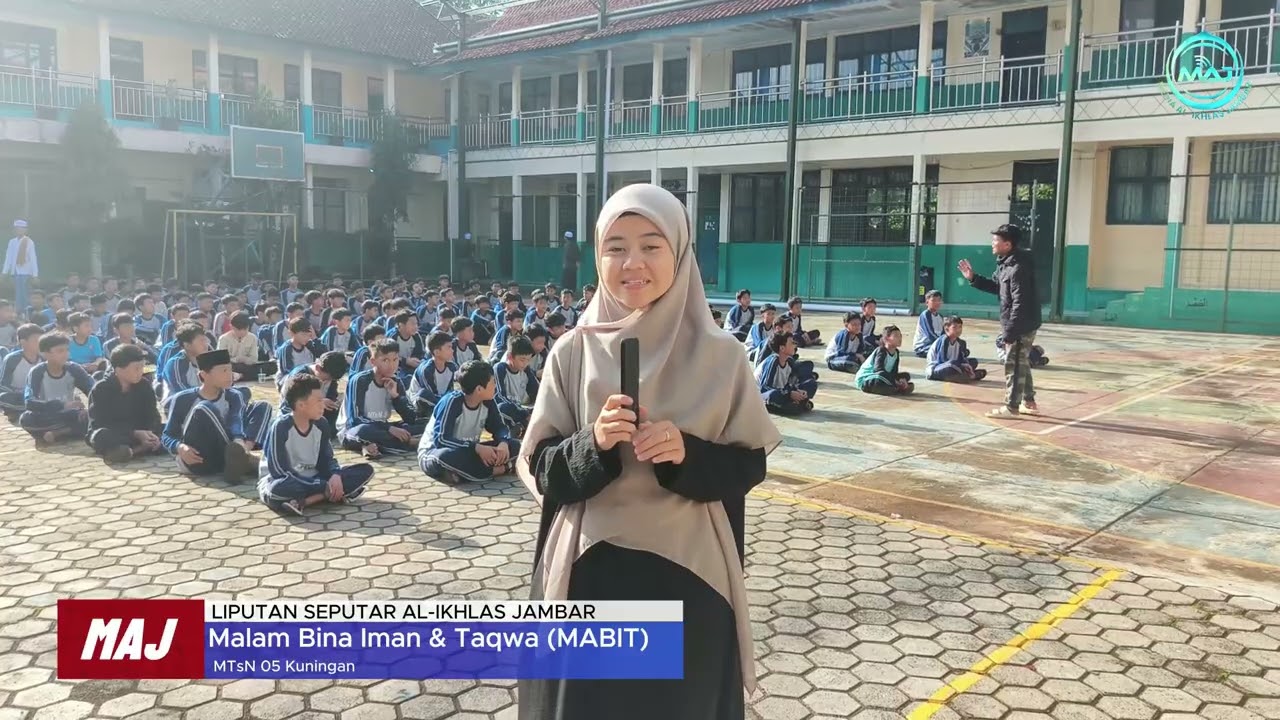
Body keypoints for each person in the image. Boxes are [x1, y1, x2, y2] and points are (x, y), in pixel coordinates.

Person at [515, 184, 781, 720]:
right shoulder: (574, 350)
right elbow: (542, 467)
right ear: (597, 255)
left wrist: (685, 454)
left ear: (680, 252)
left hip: (689, 577)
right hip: (586, 577)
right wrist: (593, 445)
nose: (631, 262)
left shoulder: (722, 356)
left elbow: (747, 464)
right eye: (615, 246)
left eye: (651, 245)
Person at [259, 373, 374, 516]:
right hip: (286, 481)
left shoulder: (321, 424)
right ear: (301, 405)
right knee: (276, 491)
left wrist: (335, 475)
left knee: (365, 470)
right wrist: (323, 485)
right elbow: (279, 471)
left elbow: (327, 458)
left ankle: (305, 502)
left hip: (314, 478)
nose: (323, 405)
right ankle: (334, 493)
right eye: (319, 401)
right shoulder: (281, 427)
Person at [958, 223, 1043, 417]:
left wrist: (1010, 333)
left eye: (996, 240)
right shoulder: (1005, 263)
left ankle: (1011, 407)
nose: (992, 243)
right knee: (1020, 361)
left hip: (1021, 323)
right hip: (1017, 321)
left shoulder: (1018, 268)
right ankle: (1029, 402)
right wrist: (972, 278)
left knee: (1013, 364)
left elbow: (1020, 303)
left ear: (1008, 244)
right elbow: (996, 286)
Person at [161, 349, 273, 482]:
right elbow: (167, 435)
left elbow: (235, 420)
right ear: (204, 375)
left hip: (226, 456)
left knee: (263, 405)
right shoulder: (183, 398)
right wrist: (179, 447)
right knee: (204, 408)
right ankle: (245, 461)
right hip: (199, 460)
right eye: (224, 371)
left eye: (230, 370)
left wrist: (238, 441)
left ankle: (243, 454)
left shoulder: (233, 395)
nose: (229, 375)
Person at [417, 360, 520, 485]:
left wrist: (503, 442)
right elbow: (442, 440)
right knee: (444, 457)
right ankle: (502, 469)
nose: (495, 386)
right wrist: (477, 448)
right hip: (436, 452)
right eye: (493, 382)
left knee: (515, 445)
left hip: (469, 451)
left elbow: (499, 427)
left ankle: (460, 474)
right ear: (479, 389)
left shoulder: (488, 402)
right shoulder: (452, 402)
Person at [339, 339, 422, 458]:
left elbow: (411, 417)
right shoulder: (359, 381)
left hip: (382, 428)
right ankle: (410, 443)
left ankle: (371, 446)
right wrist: (389, 428)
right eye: (385, 360)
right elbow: (356, 419)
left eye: (395, 359)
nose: (392, 365)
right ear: (373, 362)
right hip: (353, 430)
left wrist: (395, 396)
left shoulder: (396, 381)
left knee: (423, 423)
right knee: (363, 431)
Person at [86, 344, 163, 464]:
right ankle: (141, 449)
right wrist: (134, 433)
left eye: (142, 367)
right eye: (136, 368)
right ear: (119, 369)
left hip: (142, 432)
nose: (140, 372)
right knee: (100, 436)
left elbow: (153, 415)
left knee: (170, 430)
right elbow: (100, 423)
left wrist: (150, 433)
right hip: (118, 434)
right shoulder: (101, 389)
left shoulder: (144, 385)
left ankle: (133, 450)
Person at [20, 332, 95, 444]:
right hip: (47, 415)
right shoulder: (37, 372)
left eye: (66, 350)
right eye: (60, 351)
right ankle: (71, 431)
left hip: (71, 415)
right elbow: (29, 402)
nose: (65, 354)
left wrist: (90, 409)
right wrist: (62, 405)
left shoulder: (74, 369)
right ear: (46, 354)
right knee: (26, 419)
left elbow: (95, 390)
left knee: (93, 415)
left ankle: (57, 433)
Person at [280, 351, 349, 438]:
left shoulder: (330, 377)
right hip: (296, 414)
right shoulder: (299, 376)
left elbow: (331, 397)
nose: (328, 382)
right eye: (326, 379)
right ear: (318, 368)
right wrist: (318, 402)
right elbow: (291, 405)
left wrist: (335, 402)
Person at [756, 331, 815, 416]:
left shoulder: (790, 362)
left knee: (811, 384)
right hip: (763, 396)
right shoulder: (773, 361)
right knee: (774, 395)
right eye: (791, 343)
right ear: (782, 348)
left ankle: (795, 404)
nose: (795, 345)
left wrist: (797, 391)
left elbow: (788, 384)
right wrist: (789, 394)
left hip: (782, 392)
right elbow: (764, 388)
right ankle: (798, 405)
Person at [493, 334, 538, 434]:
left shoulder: (526, 371)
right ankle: (518, 427)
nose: (525, 363)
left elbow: (537, 393)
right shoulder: (500, 369)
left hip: (519, 410)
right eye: (522, 360)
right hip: (505, 409)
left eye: (528, 360)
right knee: (502, 408)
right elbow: (499, 397)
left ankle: (523, 426)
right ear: (510, 356)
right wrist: (524, 413)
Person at [0, 323, 43, 421]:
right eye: (36, 340)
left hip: (36, 396)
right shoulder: (12, 359)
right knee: (3, 398)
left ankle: (27, 410)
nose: (40, 343)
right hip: (17, 396)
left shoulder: (43, 358)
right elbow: (3, 385)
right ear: (23, 342)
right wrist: (21, 392)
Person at [854, 325, 914, 396]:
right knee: (881, 375)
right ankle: (894, 388)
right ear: (886, 339)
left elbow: (893, 372)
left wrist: (900, 380)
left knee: (906, 376)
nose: (900, 338)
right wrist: (895, 382)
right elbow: (878, 370)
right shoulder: (881, 351)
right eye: (896, 336)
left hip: (883, 378)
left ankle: (894, 388)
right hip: (867, 379)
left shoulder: (896, 353)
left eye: (900, 336)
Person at [409, 331, 458, 416]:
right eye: (449, 347)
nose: (452, 350)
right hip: (421, 403)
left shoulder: (452, 367)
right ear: (437, 352)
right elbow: (430, 395)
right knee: (423, 394)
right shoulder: (427, 370)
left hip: (441, 400)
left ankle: (446, 410)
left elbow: (451, 389)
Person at [926, 316, 987, 383]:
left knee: (973, 361)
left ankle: (964, 375)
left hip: (954, 366)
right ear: (947, 329)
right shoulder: (944, 340)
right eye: (954, 327)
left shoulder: (961, 343)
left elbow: (961, 359)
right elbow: (942, 360)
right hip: (937, 368)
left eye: (960, 327)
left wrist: (966, 365)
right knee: (951, 365)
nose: (958, 330)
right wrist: (960, 366)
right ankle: (968, 376)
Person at [219, 311, 276, 380]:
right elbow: (221, 361)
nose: (242, 332)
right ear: (232, 327)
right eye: (239, 330)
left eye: (245, 329)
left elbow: (254, 359)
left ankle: (240, 376)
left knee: (272, 366)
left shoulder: (252, 338)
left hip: (248, 366)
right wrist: (237, 359)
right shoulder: (224, 339)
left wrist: (245, 360)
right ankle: (243, 376)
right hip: (232, 366)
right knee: (231, 368)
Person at [3, 220, 38, 312]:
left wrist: (35, 275)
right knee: (18, 294)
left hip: (25, 272)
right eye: (17, 229)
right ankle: (19, 312)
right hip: (15, 272)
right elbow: (9, 257)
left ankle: (26, 312)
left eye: (21, 229)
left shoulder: (29, 242)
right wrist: (4, 272)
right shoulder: (12, 242)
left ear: (25, 230)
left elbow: (33, 259)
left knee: (25, 294)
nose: (19, 231)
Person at [914, 290, 945, 357]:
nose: (937, 303)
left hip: (935, 344)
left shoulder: (940, 317)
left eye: (939, 300)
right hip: (923, 346)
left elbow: (943, 334)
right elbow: (930, 334)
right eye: (933, 300)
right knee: (943, 351)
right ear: (927, 302)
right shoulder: (925, 315)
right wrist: (942, 343)